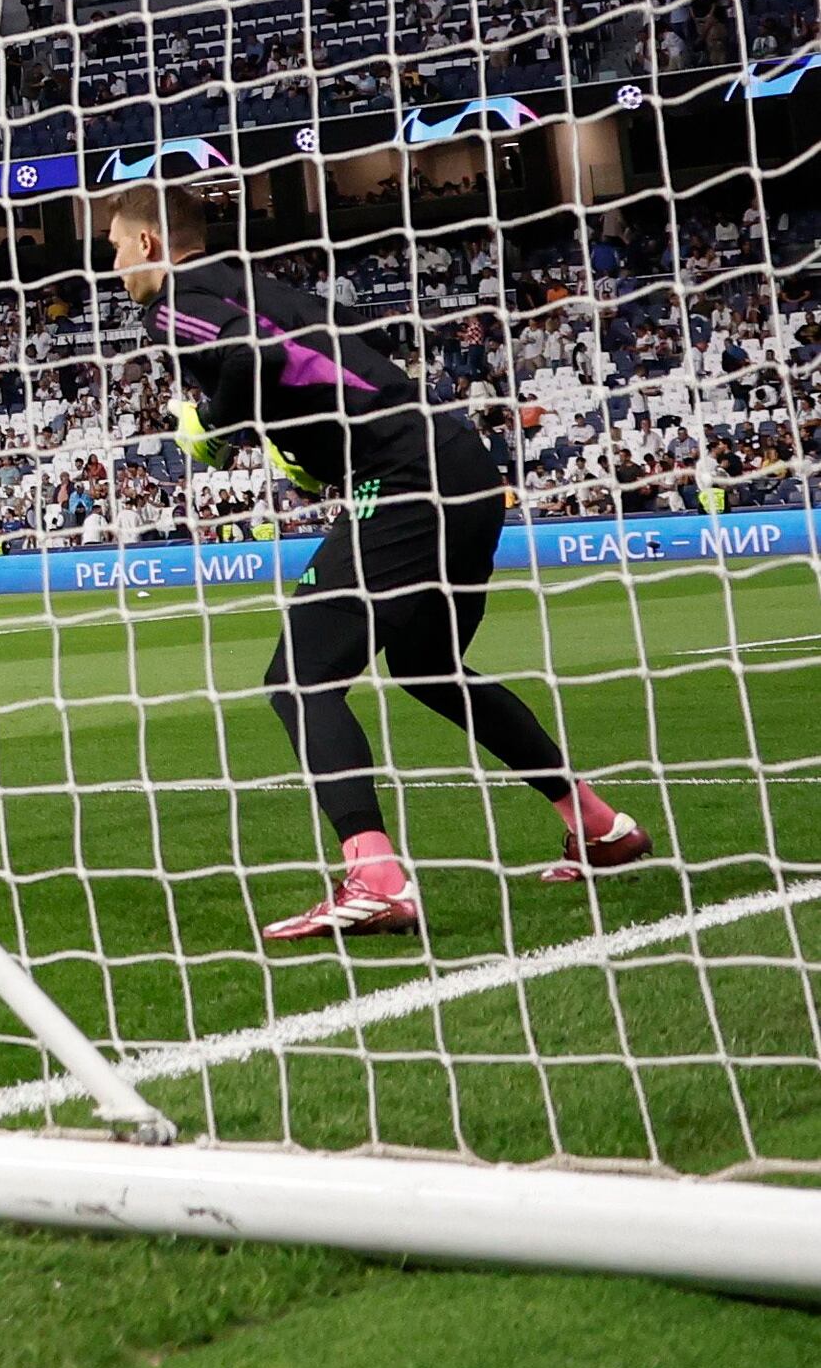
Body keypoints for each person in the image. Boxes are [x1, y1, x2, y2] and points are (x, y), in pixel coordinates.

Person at [112, 204, 641, 938]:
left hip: (403, 478)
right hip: (459, 467)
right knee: (429, 667)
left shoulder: (175, 301)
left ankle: (377, 878)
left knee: (301, 677)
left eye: (113, 248)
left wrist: (216, 430)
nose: (112, 266)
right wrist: (306, 452)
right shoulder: (259, 288)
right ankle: (600, 825)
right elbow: (324, 362)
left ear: (147, 241)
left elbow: (249, 358)